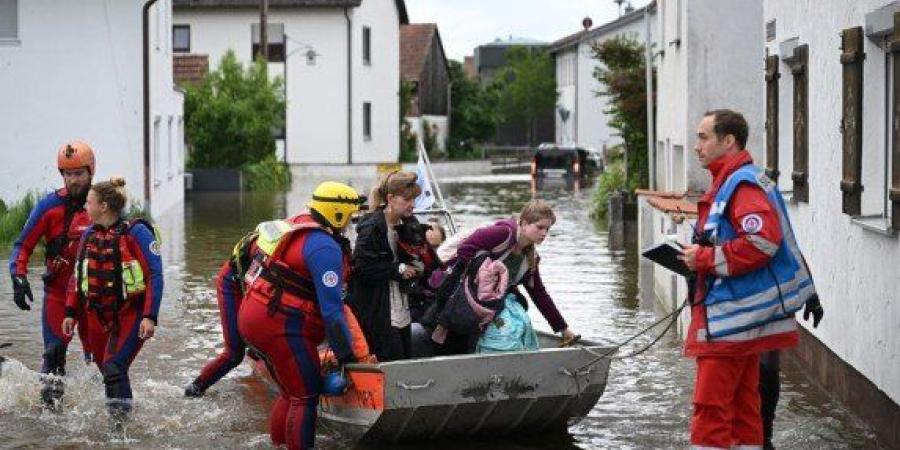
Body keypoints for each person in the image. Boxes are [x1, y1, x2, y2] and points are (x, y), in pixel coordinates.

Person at [678, 109, 818, 450]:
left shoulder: (740, 184)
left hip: (730, 319)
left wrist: (705, 259)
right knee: (744, 409)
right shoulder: (746, 179)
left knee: (711, 410)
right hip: (743, 318)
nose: (696, 146)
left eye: (703, 137)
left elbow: (763, 242)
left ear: (728, 141)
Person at [237, 181, 369, 450]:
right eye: (351, 216)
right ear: (337, 213)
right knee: (305, 395)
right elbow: (332, 313)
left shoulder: (296, 225)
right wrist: (347, 358)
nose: (352, 223)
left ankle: (277, 444)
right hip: (280, 326)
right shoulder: (325, 248)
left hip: (255, 316)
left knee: (290, 390)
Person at [61, 177, 164, 425]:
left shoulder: (136, 233)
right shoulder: (87, 235)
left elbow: (155, 275)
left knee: (114, 368)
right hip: (98, 315)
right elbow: (78, 277)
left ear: (104, 206)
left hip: (132, 313)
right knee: (108, 370)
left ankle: (119, 431)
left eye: (89, 202)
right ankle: (120, 420)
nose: (85, 207)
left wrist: (150, 316)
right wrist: (70, 313)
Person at [8, 141, 96, 408]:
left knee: (101, 361)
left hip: (94, 297)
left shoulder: (102, 204)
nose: (73, 180)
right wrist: (18, 276)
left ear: (91, 172)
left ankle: (107, 418)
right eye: (67, 174)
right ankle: (51, 423)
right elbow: (22, 246)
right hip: (58, 295)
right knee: (53, 356)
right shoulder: (47, 207)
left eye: (79, 174)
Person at [438, 200, 579, 354]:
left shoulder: (530, 259)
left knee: (518, 319)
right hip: (462, 292)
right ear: (524, 223)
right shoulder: (503, 233)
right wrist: (481, 277)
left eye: (548, 228)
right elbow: (465, 248)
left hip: (488, 304)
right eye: (540, 227)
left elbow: (539, 294)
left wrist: (563, 329)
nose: (544, 233)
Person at [350, 171, 424, 362]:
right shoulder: (372, 229)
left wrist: (420, 265)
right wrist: (397, 269)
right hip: (380, 310)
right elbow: (362, 269)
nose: (412, 204)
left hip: (403, 308)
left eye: (414, 199)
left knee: (406, 361)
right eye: (407, 199)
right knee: (393, 364)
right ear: (390, 198)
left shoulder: (410, 223)